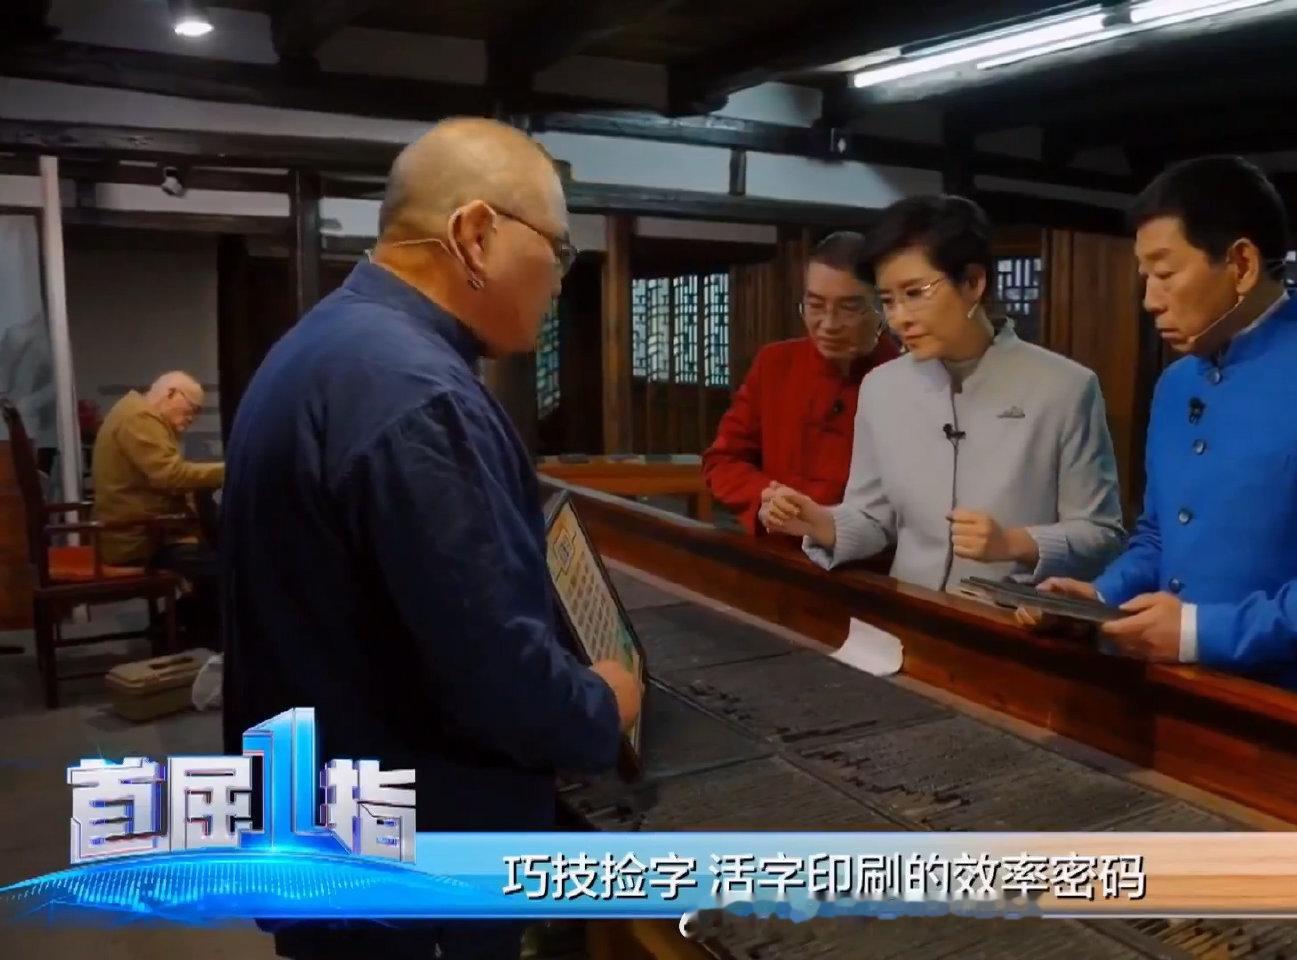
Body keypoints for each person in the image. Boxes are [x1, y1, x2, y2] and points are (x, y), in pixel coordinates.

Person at [220, 117, 641, 960]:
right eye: (557, 249)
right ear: (475, 234)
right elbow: (493, 677)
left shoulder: (326, 344)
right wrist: (603, 705)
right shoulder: (419, 396)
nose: (559, 278)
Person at [1018, 156, 1297, 715]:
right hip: (1170, 699)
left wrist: (1200, 632)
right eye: (1145, 277)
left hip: (1295, 717)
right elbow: (1159, 538)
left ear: (1241, 264)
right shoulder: (1176, 383)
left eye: (1165, 274)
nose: (1150, 299)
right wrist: (1100, 596)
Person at [763, 195, 1125, 590]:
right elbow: (873, 518)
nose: (899, 318)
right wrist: (822, 522)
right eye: (888, 301)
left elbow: (1102, 535)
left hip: (1008, 617)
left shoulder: (1064, 387)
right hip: (910, 610)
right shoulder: (882, 388)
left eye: (915, 293)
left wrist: (1014, 543)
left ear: (972, 282)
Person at [701, 231, 900, 535]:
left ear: (882, 309)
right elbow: (723, 459)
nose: (828, 324)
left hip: (867, 555)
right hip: (777, 549)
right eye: (815, 305)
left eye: (848, 308)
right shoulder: (775, 364)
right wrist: (766, 497)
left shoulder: (904, 379)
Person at [90, 371, 223, 647]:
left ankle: (182, 629)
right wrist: (230, 469)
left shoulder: (134, 412)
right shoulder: (139, 418)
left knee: (218, 557)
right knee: (227, 568)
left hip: (143, 529)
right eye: (192, 409)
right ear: (171, 393)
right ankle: (176, 631)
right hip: (139, 539)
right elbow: (170, 475)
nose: (192, 419)